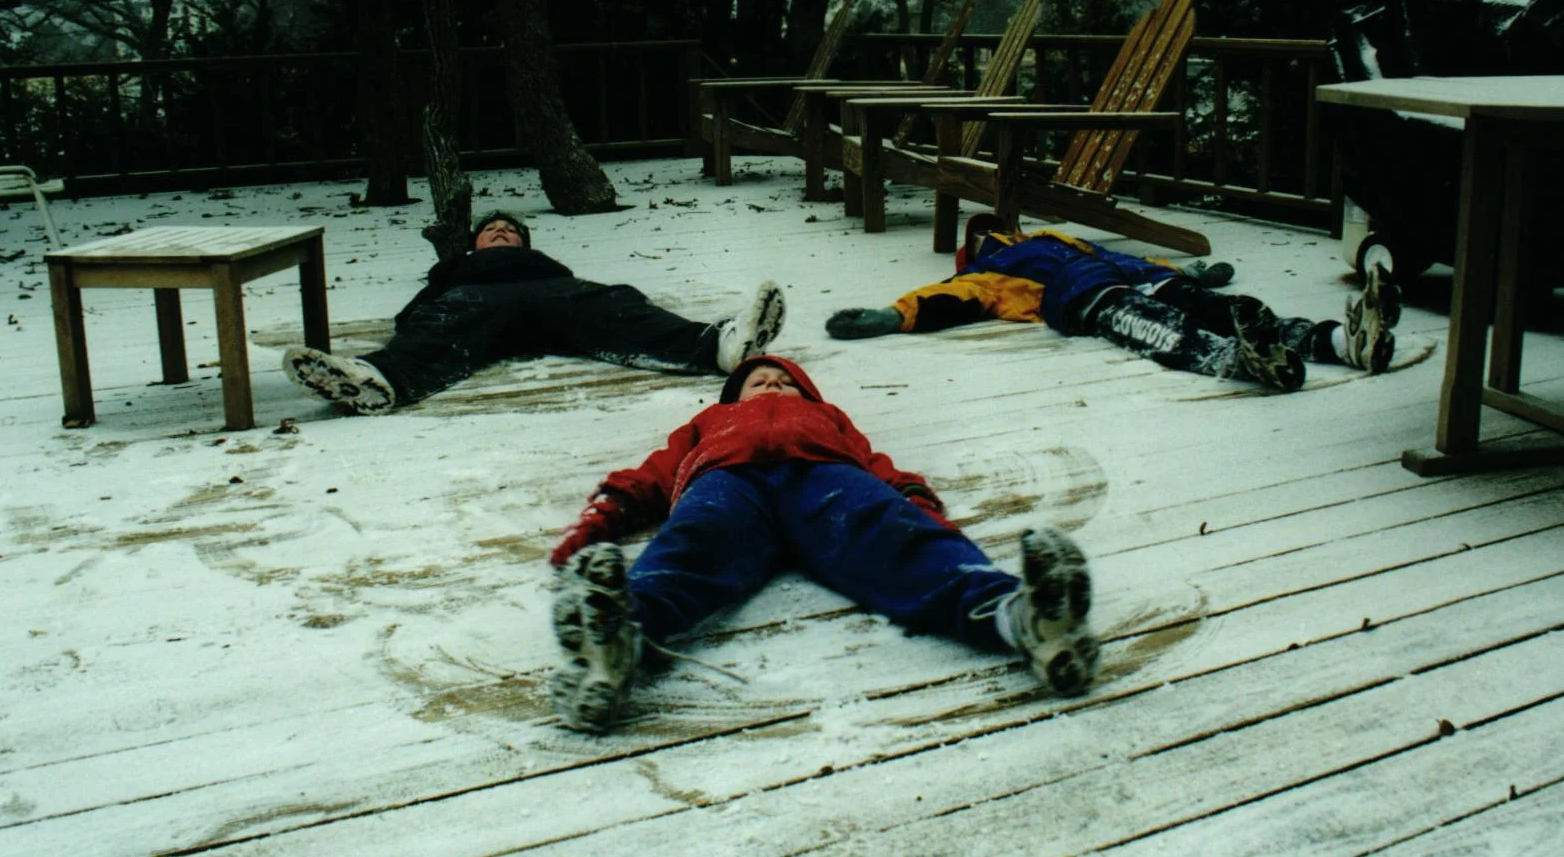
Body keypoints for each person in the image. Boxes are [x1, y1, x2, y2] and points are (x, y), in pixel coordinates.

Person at [547, 354, 1099, 732]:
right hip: (728, 483)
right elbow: (653, 473)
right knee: (692, 543)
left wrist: (916, 507)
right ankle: (620, 634)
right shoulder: (710, 420)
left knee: (894, 536)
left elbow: (874, 464)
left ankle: (1020, 616)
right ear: (734, 395)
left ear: (807, 393)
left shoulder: (828, 417)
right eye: (758, 381)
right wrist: (598, 522)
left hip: (826, 477)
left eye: (784, 381)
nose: (771, 385)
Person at [282, 210, 786, 413]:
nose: (501, 232)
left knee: (618, 303)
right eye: (491, 230)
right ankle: (378, 380)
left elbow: (596, 296)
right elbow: (419, 314)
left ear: (524, 244)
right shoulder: (456, 271)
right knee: (444, 324)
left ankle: (716, 345)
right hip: (480, 302)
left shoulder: (548, 267)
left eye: (510, 231)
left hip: (551, 297)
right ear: (474, 245)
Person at [825, 215, 1401, 393]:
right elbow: (945, 298)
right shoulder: (986, 275)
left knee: (1210, 307)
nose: (990, 238)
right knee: (1166, 325)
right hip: (1091, 297)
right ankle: (1249, 359)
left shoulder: (1053, 239)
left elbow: (1127, 257)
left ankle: (1339, 340)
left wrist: (1192, 271)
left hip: (1130, 279)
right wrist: (891, 316)